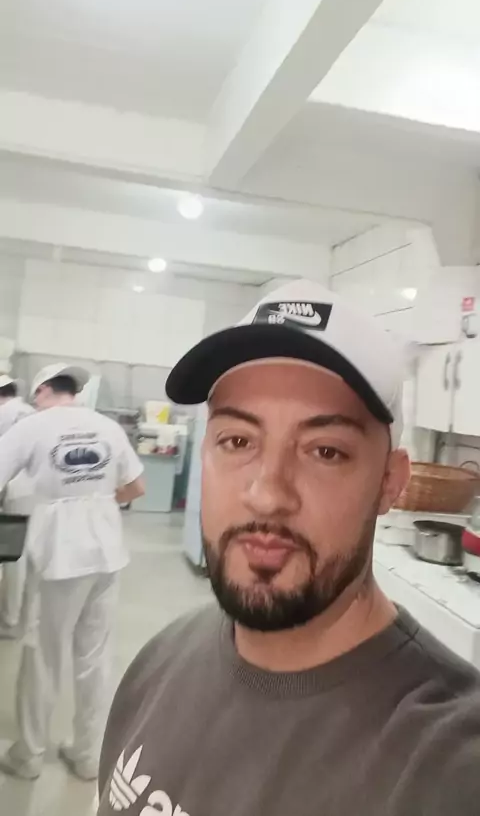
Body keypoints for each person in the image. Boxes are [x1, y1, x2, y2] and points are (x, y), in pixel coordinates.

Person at [98, 280, 480, 816]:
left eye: (325, 451)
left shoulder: (447, 764)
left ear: (390, 483)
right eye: (237, 441)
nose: (267, 494)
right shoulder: (161, 660)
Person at [0, 363, 145, 782]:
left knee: (43, 655)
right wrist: (93, 496)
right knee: (94, 657)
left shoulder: (33, 426)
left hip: (59, 554)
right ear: (75, 391)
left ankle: (29, 756)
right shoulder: (106, 426)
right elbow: (137, 487)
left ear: (42, 390)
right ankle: (86, 755)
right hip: (106, 549)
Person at [0, 374, 34, 636]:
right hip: (37, 489)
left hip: (13, 488)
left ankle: (9, 620)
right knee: (31, 553)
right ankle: (26, 618)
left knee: (11, 554)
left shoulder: (4, 414)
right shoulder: (32, 412)